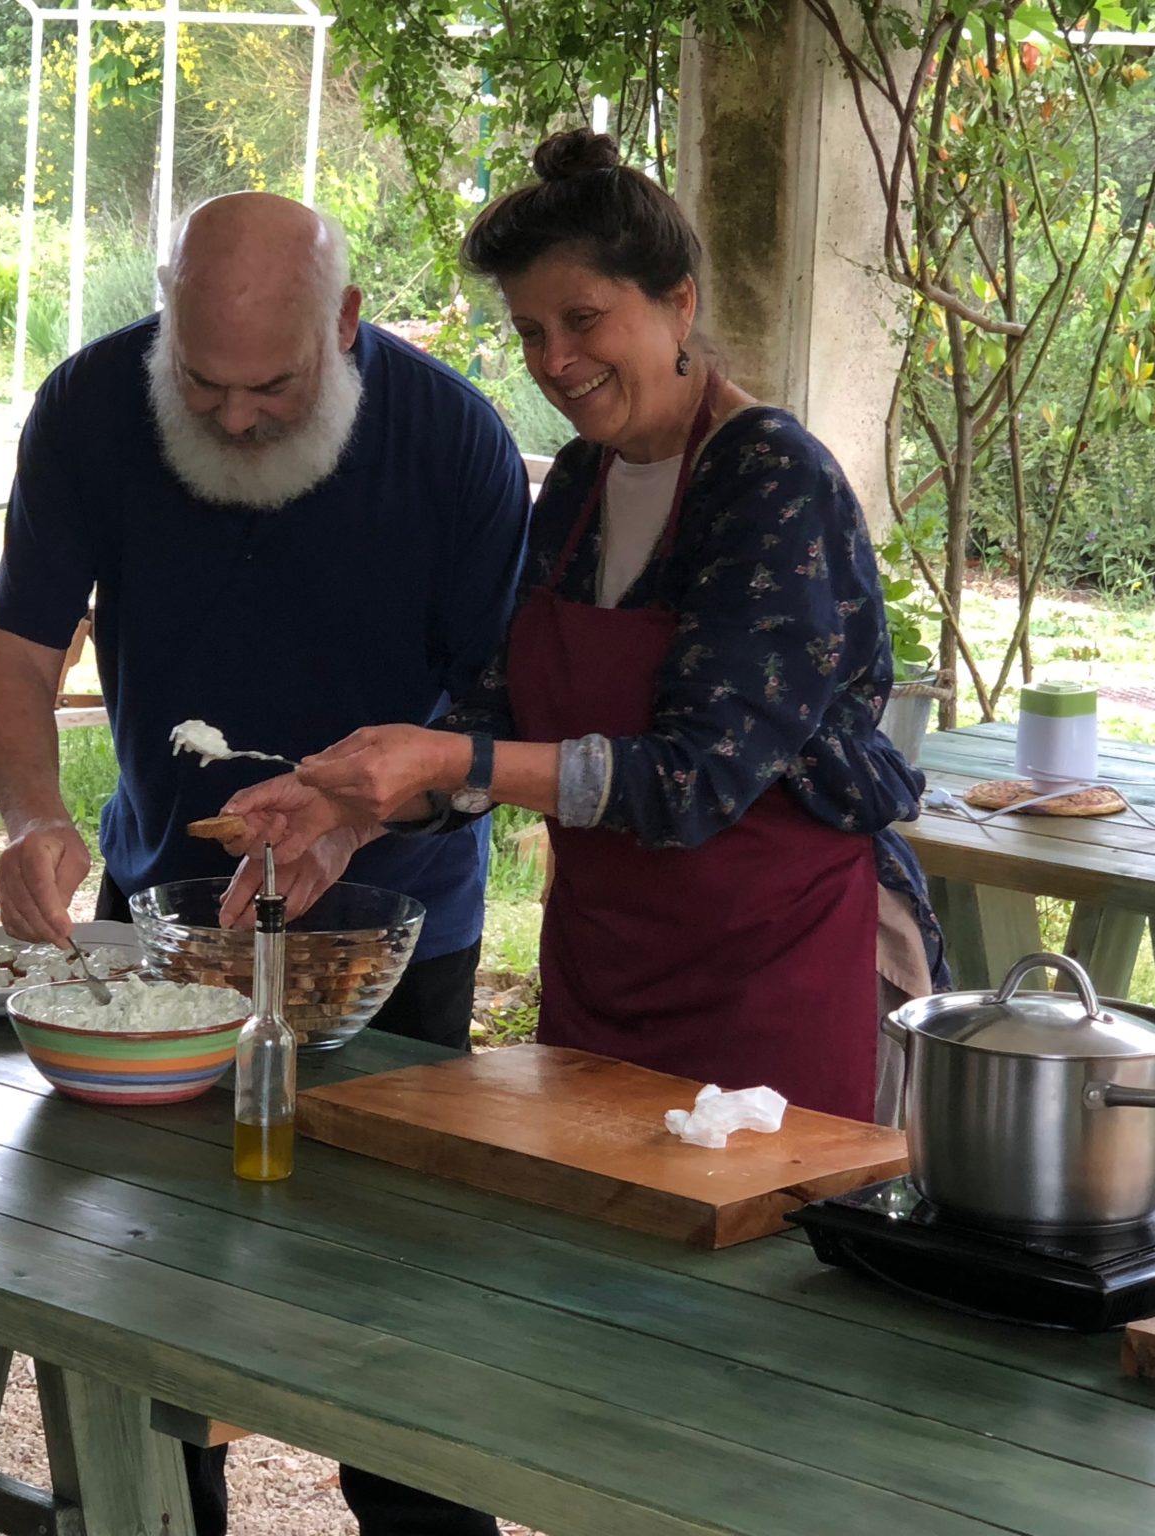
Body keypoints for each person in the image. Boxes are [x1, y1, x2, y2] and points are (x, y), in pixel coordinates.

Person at [0, 191, 527, 1536]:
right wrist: (33, 814)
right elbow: (19, 652)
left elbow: (501, 717)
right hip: (166, 921)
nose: (230, 419)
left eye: (271, 384)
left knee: (397, 1326)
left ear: (345, 326)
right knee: (144, 1303)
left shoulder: (453, 440)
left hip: (398, 935)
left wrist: (356, 815)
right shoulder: (95, 405)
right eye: (199, 381)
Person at [225, 132, 947, 1125]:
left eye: (581, 320)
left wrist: (437, 759)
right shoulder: (576, 483)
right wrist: (349, 815)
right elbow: (499, 714)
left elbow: (692, 781)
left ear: (677, 303)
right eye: (528, 331)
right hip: (605, 974)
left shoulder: (770, 481)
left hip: (773, 975)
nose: (554, 361)